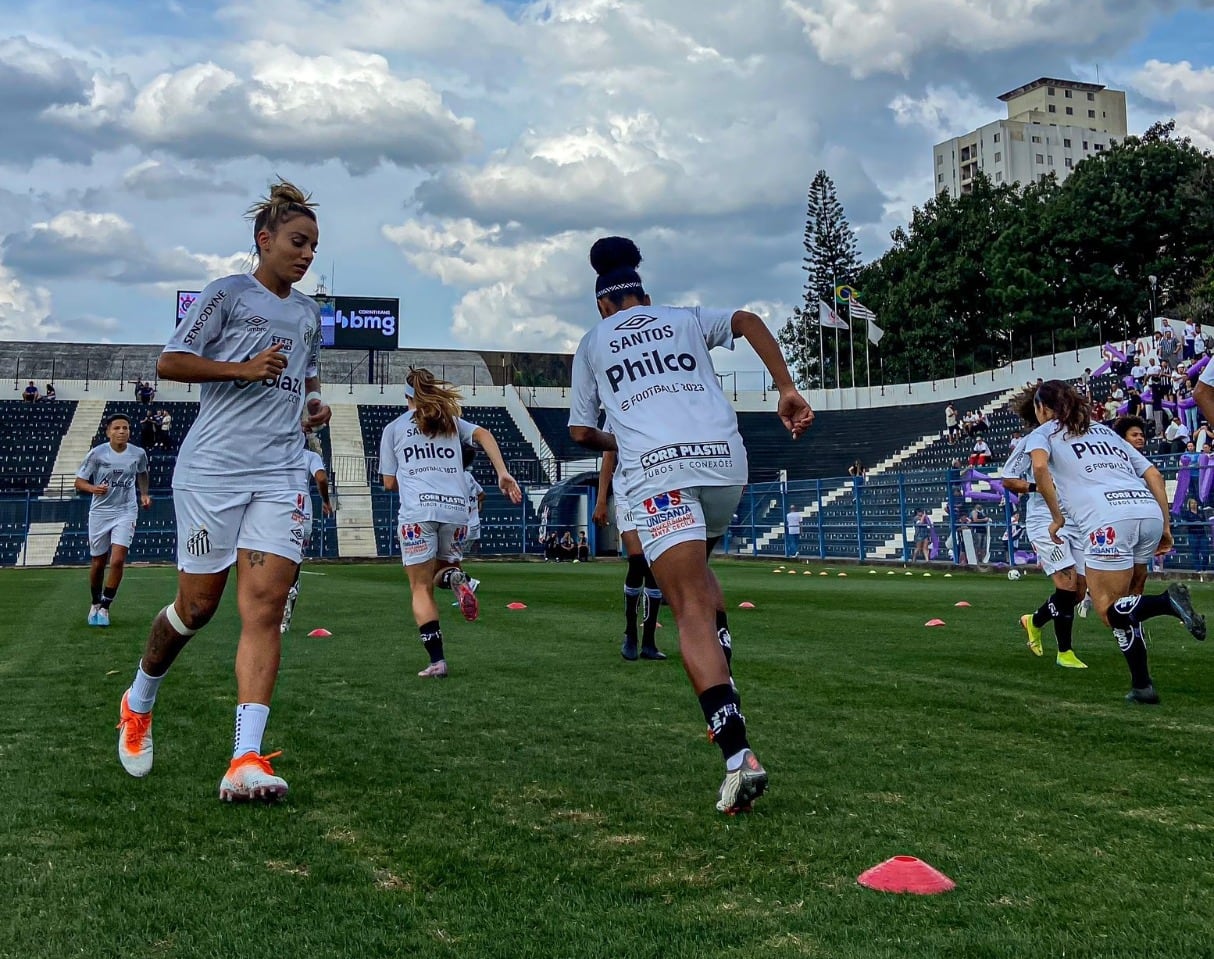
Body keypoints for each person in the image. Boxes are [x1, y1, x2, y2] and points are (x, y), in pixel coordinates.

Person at [568, 235, 813, 814]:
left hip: (660, 474)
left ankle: (737, 755)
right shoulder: (682, 317)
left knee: (689, 610)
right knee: (701, 577)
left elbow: (579, 432)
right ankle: (723, 674)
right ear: (645, 295)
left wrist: (620, 438)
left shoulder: (593, 342)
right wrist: (785, 388)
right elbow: (748, 320)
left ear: (602, 304)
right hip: (726, 465)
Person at [115, 180, 332, 803]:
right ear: (264, 239)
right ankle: (138, 700)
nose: (306, 254)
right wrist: (242, 369)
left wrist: (313, 404)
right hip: (213, 471)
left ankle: (245, 759)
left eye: (313, 246)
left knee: (265, 606)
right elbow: (171, 360)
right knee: (198, 607)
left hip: (281, 472)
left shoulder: (308, 315)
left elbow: (306, 376)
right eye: (297, 242)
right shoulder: (227, 294)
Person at [1027, 379, 1205, 705]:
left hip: (1107, 519)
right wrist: (1165, 526)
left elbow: (1039, 466)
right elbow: (1154, 475)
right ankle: (1142, 686)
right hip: (1146, 511)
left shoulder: (1044, 433)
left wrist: (1057, 518)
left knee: (1109, 609)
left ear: (1043, 408)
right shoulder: (1105, 432)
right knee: (1127, 605)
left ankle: (1166, 602)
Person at [380, 368, 521, 679]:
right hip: (456, 511)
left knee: (420, 587)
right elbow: (484, 434)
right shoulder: (452, 422)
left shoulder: (394, 428)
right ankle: (456, 578)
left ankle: (437, 661)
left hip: (418, 513)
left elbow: (389, 482)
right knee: (441, 572)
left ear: (407, 397)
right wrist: (502, 472)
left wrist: (413, 477)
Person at [999, 389, 1087, 668]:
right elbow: (1008, 479)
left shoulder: (1075, 438)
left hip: (1075, 519)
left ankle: (1034, 621)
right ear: (1042, 410)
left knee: (1079, 592)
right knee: (1067, 583)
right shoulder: (1033, 441)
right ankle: (1065, 653)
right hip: (1044, 520)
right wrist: (1040, 487)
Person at [75, 414, 151, 627]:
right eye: (117, 428)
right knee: (98, 562)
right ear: (108, 432)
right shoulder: (97, 453)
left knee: (117, 560)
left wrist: (144, 494)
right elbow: (79, 482)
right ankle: (95, 602)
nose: (122, 431)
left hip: (126, 511)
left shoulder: (138, 453)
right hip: (100, 512)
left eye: (125, 428)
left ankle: (105, 607)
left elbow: (142, 473)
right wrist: (93, 488)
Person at [593, 439, 665, 661]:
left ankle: (649, 641)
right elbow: (608, 457)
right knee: (638, 560)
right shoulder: (617, 418)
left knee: (654, 564)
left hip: (657, 490)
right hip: (627, 493)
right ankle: (631, 634)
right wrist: (601, 500)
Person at [280, 441, 333, 634]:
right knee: (294, 565)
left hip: (278, 511)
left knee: (275, 565)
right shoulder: (311, 456)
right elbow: (321, 478)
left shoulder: (277, 453)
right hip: (303, 515)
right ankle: (284, 621)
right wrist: (326, 501)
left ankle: (271, 615)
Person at [1180, 496, 1210, 572]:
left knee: (1206, 552)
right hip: (1193, 534)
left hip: (1202, 534)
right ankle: (1198, 569)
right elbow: (1185, 524)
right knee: (1195, 553)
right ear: (1189, 505)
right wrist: (1193, 523)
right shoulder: (1187, 513)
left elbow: (1205, 522)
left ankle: (1203, 568)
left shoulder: (1201, 512)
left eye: (1195, 503)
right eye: (1192, 503)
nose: (1194, 504)